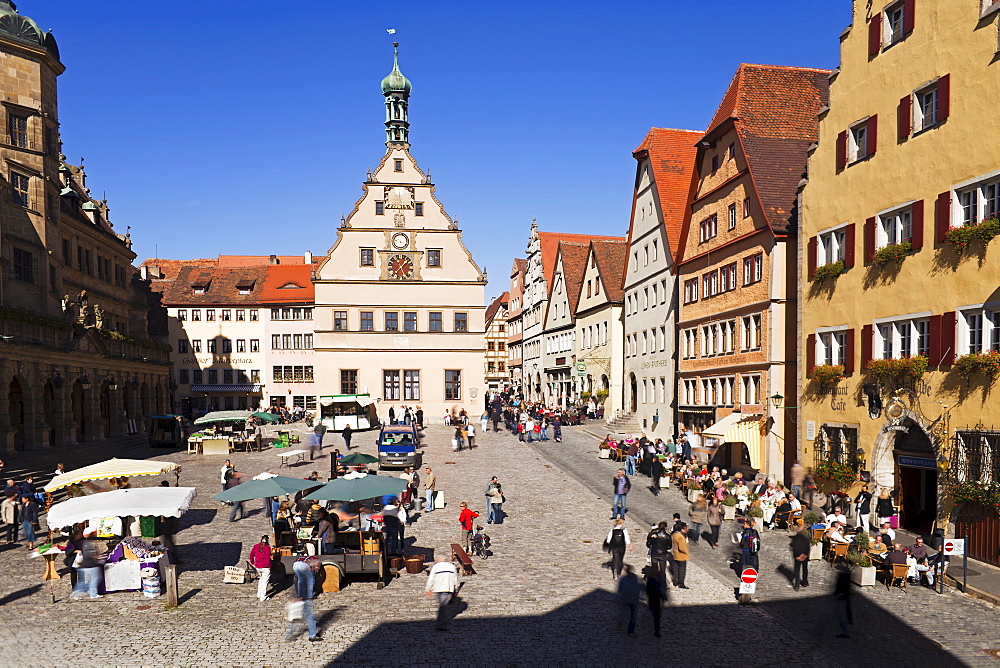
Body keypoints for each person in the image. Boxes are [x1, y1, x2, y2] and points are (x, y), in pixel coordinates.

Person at [425, 555, 459, 631]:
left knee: (442, 606)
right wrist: (456, 588)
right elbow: (455, 578)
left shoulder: (436, 566)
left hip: (438, 589)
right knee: (443, 606)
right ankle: (440, 624)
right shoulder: (451, 566)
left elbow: (431, 578)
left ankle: (440, 622)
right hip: (447, 589)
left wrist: (428, 589)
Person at [617, 564, 642, 637]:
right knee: (629, 615)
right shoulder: (633, 578)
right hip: (629, 599)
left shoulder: (626, 579)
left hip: (632, 599)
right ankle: (627, 628)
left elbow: (620, 590)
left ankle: (629, 630)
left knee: (632, 616)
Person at [644, 568, 667, 638]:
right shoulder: (653, 581)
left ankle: (656, 630)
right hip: (655, 599)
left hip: (654, 600)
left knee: (656, 615)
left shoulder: (651, 581)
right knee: (656, 616)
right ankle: (656, 631)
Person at [249, 536, 273, 601]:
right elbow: (268, 558)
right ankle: (263, 597)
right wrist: (269, 566)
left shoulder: (256, 546)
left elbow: (251, 555)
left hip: (258, 567)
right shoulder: (267, 548)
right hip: (265, 567)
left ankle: (259, 594)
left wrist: (253, 562)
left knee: (261, 580)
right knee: (265, 582)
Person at [833, 566, 853, 638]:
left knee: (842, 615)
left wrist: (840, 593)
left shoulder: (843, 576)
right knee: (845, 611)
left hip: (842, 596)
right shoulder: (845, 575)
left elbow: (844, 587)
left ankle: (846, 632)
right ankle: (849, 620)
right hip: (844, 595)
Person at [791, 526, 811, 591]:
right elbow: (807, 547)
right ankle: (805, 582)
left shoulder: (796, 538)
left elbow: (794, 547)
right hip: (804, 556)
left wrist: (797, 556)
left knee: (797, 570)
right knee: (805, 569)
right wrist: (805, 555)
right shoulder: (806, 538)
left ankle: (797, 585)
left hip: (798, 556)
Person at [671, 522, 690, 589]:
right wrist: (687, 552)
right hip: (681, 556)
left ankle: (675, 581)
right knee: (682, 570)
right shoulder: (681, 536)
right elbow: (682, 547)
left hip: (675, 554)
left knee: (675, 569)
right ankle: (681, 583)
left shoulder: (674, 534)